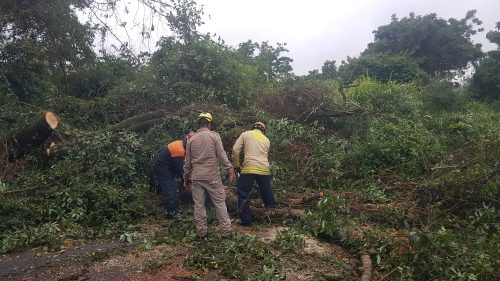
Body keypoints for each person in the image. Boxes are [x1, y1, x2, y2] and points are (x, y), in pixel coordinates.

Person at [183, 112, 236, 238]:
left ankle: (202, 233)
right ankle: (226, 232)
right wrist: (230, 169)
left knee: (199, 206)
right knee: (219, 203)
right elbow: (222, 156)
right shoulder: (214, 137)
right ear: (209, 123)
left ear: (199, 123)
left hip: (196, 177)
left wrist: (186, 177)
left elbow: (187, 162)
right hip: (212, 176)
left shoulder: (191, 139)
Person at [232, 121, 276, 226]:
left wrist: (237, 166)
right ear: (263, 130)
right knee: (266, 192)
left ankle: (246, 221)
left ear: (253, 127)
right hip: (264, 169)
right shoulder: (266, 140)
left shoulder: (245, 134)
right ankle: (274, 215)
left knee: (243, 193)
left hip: (249, 168)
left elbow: (235, 150)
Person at [154, 131, 196, 218]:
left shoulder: (183, 146)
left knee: (173, 186)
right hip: (163, 168)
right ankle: (171, 212)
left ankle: (171, 206)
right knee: (170, 188)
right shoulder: (179, 150)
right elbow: (180, 169)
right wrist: (188, 181)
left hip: (169, 167)